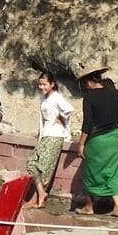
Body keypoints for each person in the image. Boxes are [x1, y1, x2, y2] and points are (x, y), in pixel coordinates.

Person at [73, 62, 118, 217]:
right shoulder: (113, 93)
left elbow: (87, 123)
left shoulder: (89, 97)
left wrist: (81, 143)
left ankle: (89, 207)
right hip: (113, 138)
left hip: (97, 141)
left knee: (90, 173)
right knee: (113, 172)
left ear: (89, 81)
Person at [25, 73, 75, 209]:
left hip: (55, 135)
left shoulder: (56, 97)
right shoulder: (43, 98)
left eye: (44, 84)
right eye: (40, 84)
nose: (42, 87)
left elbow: (70, 109)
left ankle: (39, 198)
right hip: (46, 134)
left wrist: (61, 117)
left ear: (52, 84)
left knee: (44, 168)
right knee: (32, 163)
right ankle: (41, 193)